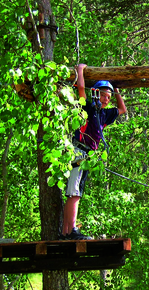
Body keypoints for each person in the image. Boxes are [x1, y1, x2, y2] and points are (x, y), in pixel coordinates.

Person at [60, 64, 127, 240]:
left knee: (76, 192)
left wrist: (117, 91)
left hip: (88, 155)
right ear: (96, 93)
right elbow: (81, 89)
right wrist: (80, 71)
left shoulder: (104, 115)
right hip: (78, 152)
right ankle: (70, 230)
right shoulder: (88, 108)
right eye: (104, 95)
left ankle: (67, 231)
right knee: (74, 192)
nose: (106, 99)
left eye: (109, 97)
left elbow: (122, 110)